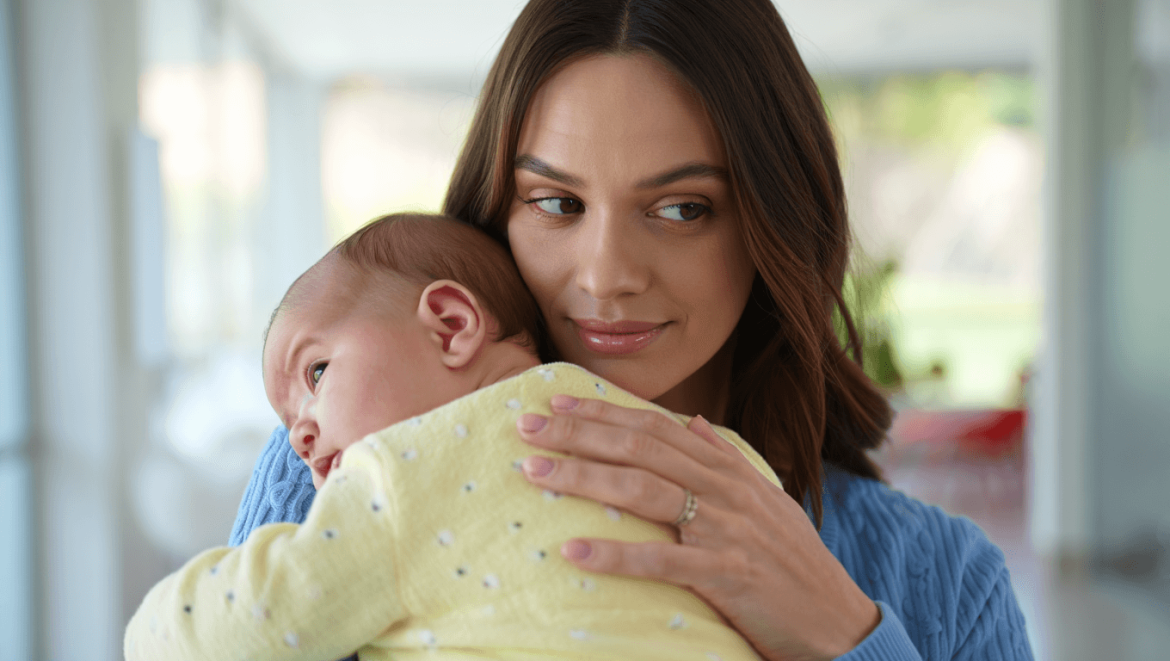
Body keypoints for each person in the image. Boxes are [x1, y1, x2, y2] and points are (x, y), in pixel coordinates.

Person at [232, 1, 1034, 659]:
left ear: (774, 224)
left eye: (683, 208)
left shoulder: (949, 586)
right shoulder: (334, 466)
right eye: (557, 203)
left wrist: (844, 634)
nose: (606, 272)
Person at [125, 213, 776, 661]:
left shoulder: (399, 477)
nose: (298, 432)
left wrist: (150, 624)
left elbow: (251, 625)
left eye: (317, 371)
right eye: (287, 413)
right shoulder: (707, 454)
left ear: (450, 323)